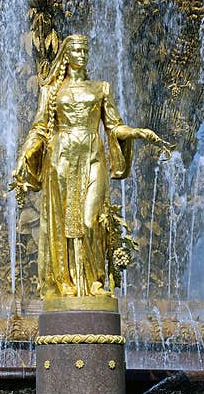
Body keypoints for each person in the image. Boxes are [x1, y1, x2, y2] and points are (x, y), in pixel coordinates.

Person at [11, 34, 172, 300]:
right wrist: (23, 157)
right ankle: (66, 284)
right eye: (76, 50)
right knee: (63, 224)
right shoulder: (51, 91)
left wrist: (137, 133)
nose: (82, 55)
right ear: (66, 54)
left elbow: (114, 126)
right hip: (61, 158)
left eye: (85, 50)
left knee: (90, 221)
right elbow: (39, 129)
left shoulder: (101, 88)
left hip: (92, 156)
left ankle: (95, 281)